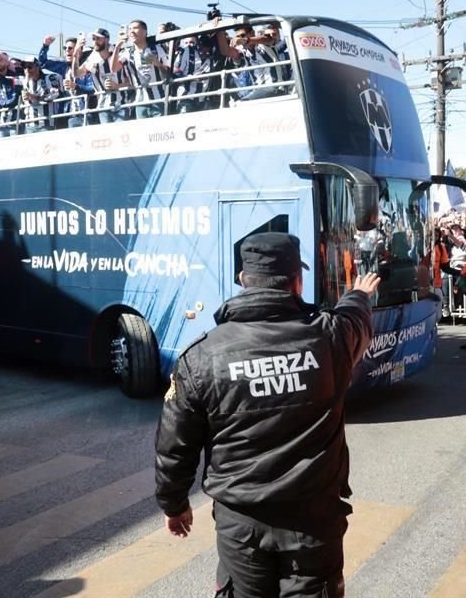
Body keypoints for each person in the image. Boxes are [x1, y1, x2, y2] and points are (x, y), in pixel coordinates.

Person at [155, 232, 379, 598]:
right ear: (296, 281)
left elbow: (175, 444)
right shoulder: (330, 339)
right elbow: (356, 319)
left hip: (240, 525)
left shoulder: (201, 356)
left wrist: (174, 503)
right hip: (314, 523)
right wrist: (359, 294)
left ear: (244, 281)